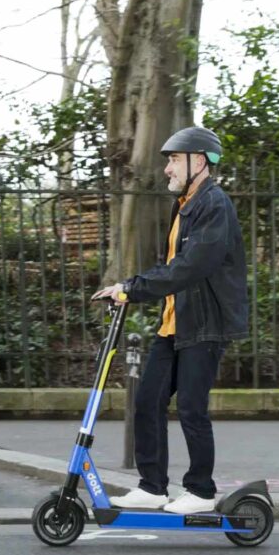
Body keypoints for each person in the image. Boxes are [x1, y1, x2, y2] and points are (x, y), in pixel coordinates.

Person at [91, 126, 249, 515]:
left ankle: (200, 490)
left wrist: (133, 287)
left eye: (174, 159)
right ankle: (153, 486)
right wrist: (132, 286)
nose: (167, 169)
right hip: (174, 324)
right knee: (148, 401)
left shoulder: (215, 206)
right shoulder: (186, 204)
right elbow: (175, 267)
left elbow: (191, 268)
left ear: (200, 161)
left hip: (203, 325)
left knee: (192, 409)